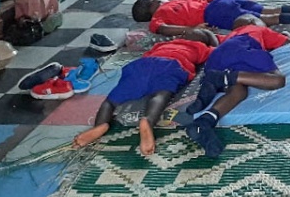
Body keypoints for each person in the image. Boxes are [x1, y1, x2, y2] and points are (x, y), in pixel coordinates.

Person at [72, 29, 216, 155]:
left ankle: (99, 126)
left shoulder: (162, 45)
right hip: (171, 65)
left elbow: (147, 53)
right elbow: (218, 51)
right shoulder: (200, 47)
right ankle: (148, 120)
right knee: (160, 95)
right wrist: (212, 38)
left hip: (142, 65)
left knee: (111, 100)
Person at [184, 14, 289, 157]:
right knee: (278, 80)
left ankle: (205, 121)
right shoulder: (255, 29)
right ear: (253, 22)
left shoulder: (228, 37)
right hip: (244, 49)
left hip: (216, 59)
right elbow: (288, 42)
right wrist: (286, 35)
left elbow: (213, 42)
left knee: (239, 91)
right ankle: (224, 78)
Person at [132, 0, 290, 33]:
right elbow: (165, 28)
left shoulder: (160, 15)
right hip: (221, 1)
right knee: (271, 10)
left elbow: (164, 29)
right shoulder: (171, 4)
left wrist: (192, 29)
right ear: (153, 2)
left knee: (268, 19)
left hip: (214, 12)